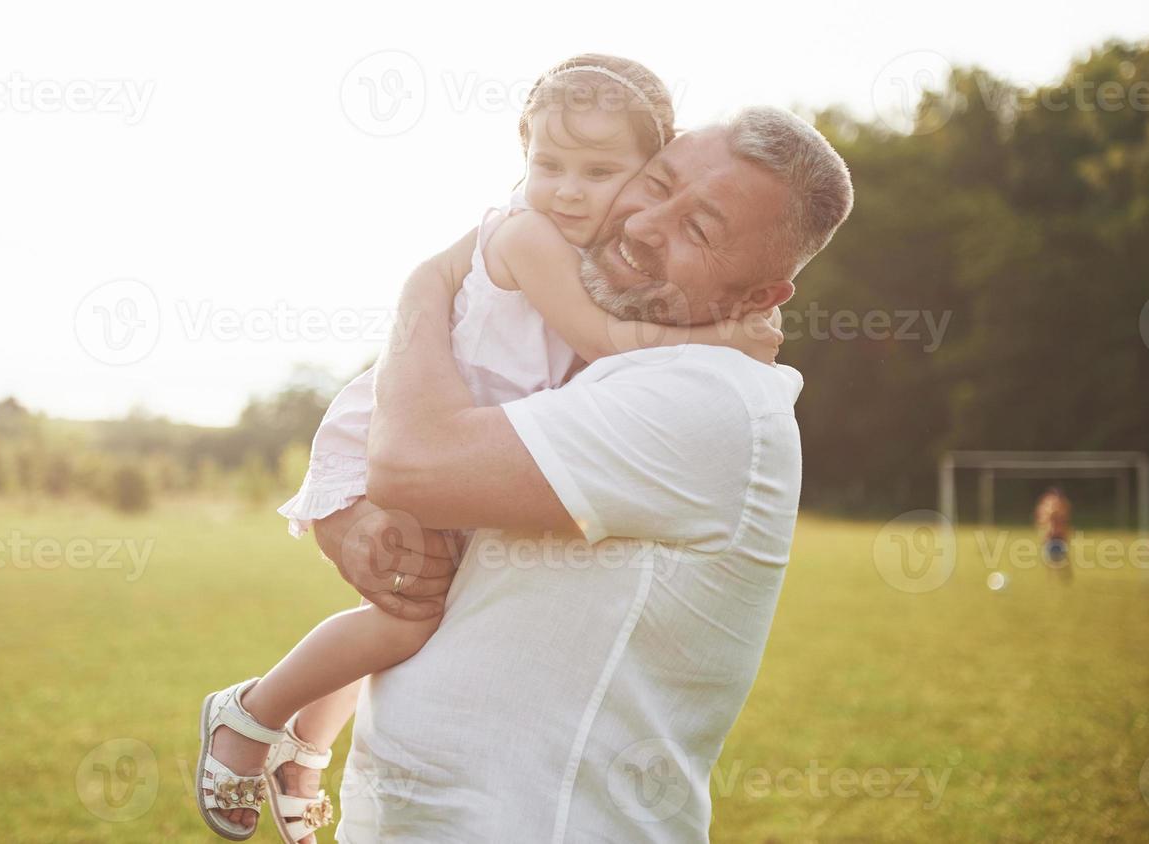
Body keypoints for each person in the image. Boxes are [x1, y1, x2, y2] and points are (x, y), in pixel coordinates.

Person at [192, 55, 785, 843]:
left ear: (647, 171)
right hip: (399, 428)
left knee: (412, 609)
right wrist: (725, 335)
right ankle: (249, 718)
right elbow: (601, 341)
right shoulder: (533, 234)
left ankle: (304, 745)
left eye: (599, 171)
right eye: (547, 165)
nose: (567, 189)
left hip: (458, 431)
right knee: (408, 619)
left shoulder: (600, 247)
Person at [308, 106, 854, 842]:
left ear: (757, 299)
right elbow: (403, 499)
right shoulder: (591, 363)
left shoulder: (708, 397)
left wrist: (425, 284)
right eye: (654, 182)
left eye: (697, 228)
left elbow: (411, 463)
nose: (642, 223)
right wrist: (352, 529)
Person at [1035, 487, 1073, 581]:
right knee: (1048, 556)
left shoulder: (1062, 505)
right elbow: (1042, 517)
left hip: (1059, 533)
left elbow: (1063, 518)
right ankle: (1050, 577)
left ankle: (1065, 574)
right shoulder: (1047, 504)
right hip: (1050, 534)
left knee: (1062, 555)